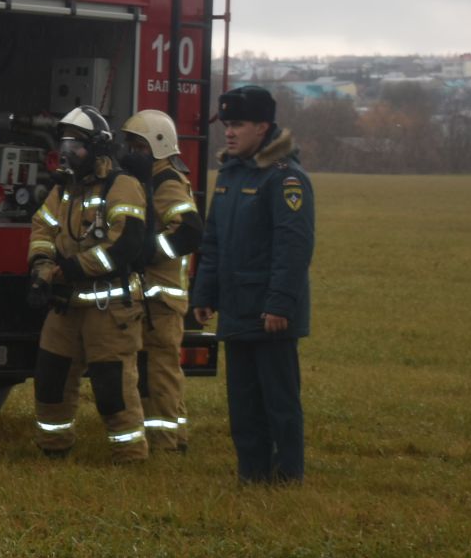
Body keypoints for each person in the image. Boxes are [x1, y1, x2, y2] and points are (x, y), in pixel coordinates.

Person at [191, 85, 314, 485]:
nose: (229, 132)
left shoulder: (285, 179)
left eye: (238, 124)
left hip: (270, 314)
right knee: (242, 401)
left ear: (263, 127)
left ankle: (287, 475)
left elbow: (293, 247)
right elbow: (212, 243)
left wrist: (279, 304)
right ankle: (252, 473)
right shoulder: (229, 175)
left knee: (278, 400)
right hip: (237, 307)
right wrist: (205, 293)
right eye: (226, 124)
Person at [28, 105, 151, 464]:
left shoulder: (122, 186)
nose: (67, 152)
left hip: (109, 308)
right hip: (66, 306)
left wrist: (70, 269)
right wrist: (40, 266)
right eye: (64, 143)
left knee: (112, 386)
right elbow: (42, 228)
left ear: (98, 148)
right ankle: (53, 449)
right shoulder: (64, 189)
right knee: (50, 379)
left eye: (76, 145)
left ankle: (129, 456)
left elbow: (125, 244)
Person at [121, 109, 204, 453]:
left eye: (137, 145)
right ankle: (174, 437)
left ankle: (166, 443)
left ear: (156, 145)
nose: (130, 152)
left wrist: (150, 251)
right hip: (154, 296)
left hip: (162, 298)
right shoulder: (153, 177)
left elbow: (189, 231)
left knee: (162, 373)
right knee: (158, 370)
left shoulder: (166, 181)